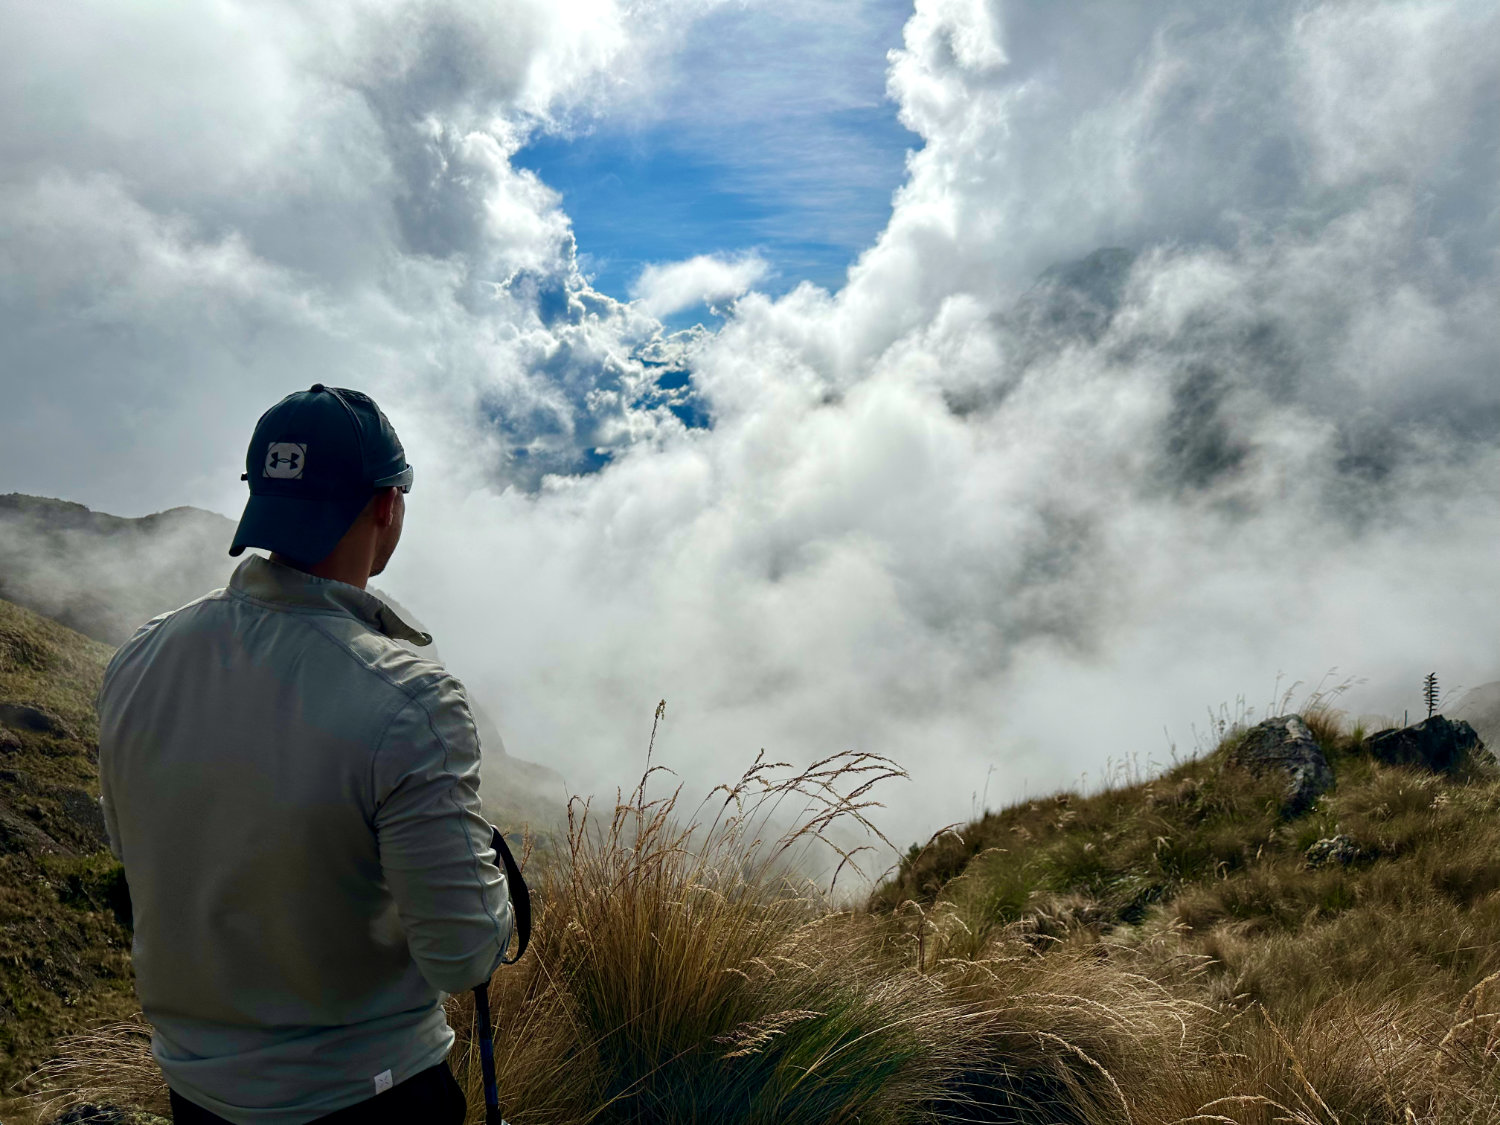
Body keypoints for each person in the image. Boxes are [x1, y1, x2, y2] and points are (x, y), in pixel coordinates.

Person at [97, 385, 513, 1124]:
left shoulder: (141, 656)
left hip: (197, 1093)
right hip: (368, 1095)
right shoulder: (409, 701)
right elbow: (464, 953)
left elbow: (134, 850)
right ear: (387, 505)